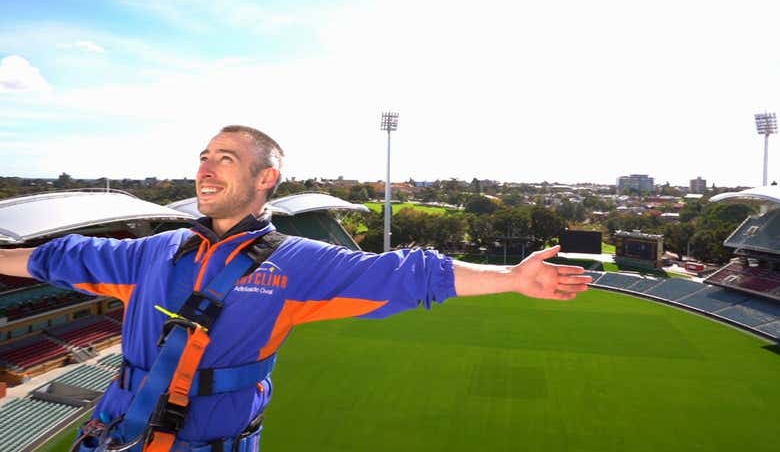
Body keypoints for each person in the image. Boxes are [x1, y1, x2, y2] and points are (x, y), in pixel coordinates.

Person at [0, 125, 592, 452]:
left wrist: (511, 278)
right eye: (204, 156)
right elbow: (59, 256)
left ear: (266, 179)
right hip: (111, 439)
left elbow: (406, 273)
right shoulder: (155, 250)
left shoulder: (297, 264)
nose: (206, 167)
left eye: (225, 159)